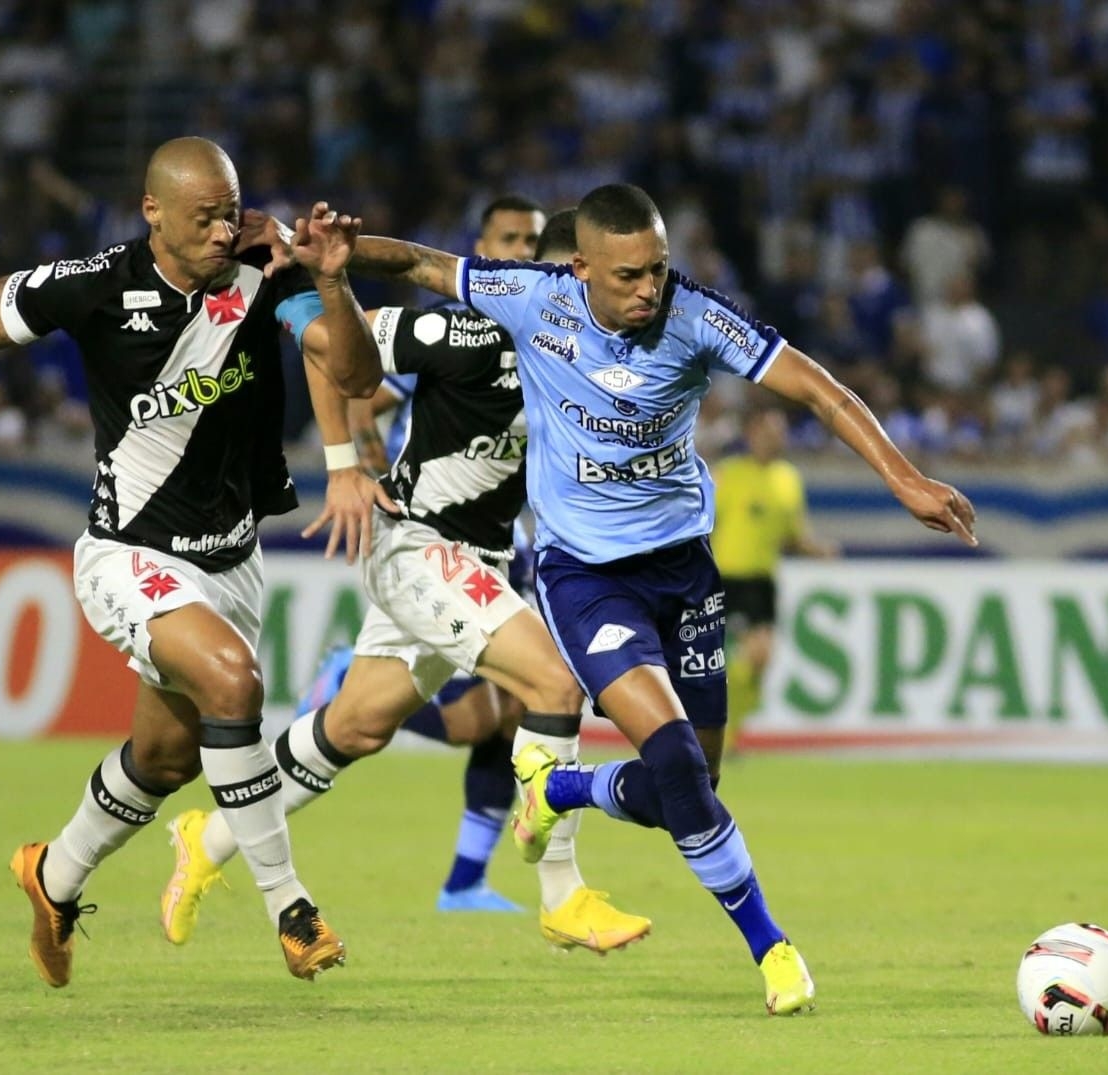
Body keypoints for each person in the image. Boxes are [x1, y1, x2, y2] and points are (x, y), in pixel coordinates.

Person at [343, 183, 977, 1016]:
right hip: (587, 577)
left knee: (695, 786)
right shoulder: (533, 297)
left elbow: (817, 387)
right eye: (632, 275)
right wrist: (327, 251)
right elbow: (423, 262)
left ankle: (561, 790)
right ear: (582, 270)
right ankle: (773, 949)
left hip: (685, 570)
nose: (651, 289)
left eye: (661, 269)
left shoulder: (697, 316)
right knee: (676, 760)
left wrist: (905, 478)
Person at [0, 137, 380, 988]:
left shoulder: (265, 266)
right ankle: (291, 908)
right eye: (204, 216)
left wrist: (329, 276)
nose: (224, 230)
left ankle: (54, 876)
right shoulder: (98, 284)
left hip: (232, 561)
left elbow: (353, 373)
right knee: (235, 683)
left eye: (231, 209)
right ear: (154, 213)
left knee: (167, 758)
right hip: (128, 554)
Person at [163, 204, 650, 954]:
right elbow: (338, 351)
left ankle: (211, 836)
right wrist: (345, 462)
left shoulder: (605, 364)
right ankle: (564, 894)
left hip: (478, 557)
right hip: (421, 546)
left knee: (355, 724)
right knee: (552, 686)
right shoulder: (470, 334)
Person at [712, 405, 838, 747]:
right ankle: (712, 733)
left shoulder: (788, 478)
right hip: (725, 577)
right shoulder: (727, 474)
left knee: (760, 659)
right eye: (768, 432)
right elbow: (702, 523)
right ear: (752, 433)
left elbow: (793, 536)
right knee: (717, 661)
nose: (775, 439)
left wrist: (817, 550)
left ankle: (727, 734)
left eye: (780, 433)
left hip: (762, 581)